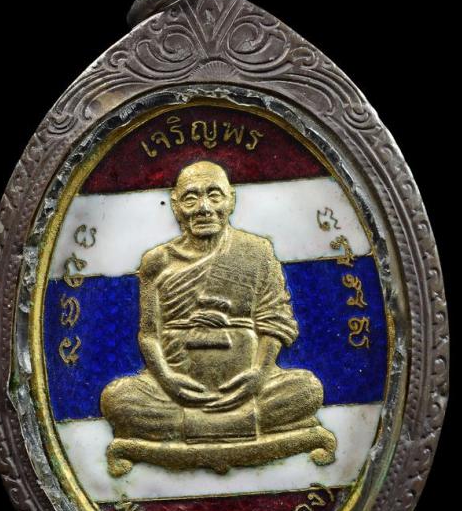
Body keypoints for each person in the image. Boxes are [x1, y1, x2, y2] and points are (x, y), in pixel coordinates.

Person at [100, 160, 336, 474]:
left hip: (249, 388)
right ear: (175, 205)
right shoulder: (157, 261)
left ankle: (191, 429)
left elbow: (275, 321)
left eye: (214, 195)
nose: (204, 208)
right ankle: (237, 425)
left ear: (231, 200)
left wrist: (258, 376)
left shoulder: (256, 251)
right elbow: (148, 334)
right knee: (117, 399)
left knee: (307, 390)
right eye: (191, 198)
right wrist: (168, 381)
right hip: (174, 392)